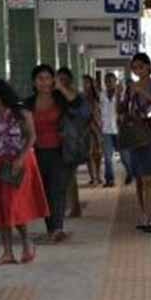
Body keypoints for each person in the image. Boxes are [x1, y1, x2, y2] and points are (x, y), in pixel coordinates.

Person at [0, 79, 50, 265]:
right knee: (0, 208)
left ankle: (27, 242)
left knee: (13, 205)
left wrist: (20, 158)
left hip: (16, 163)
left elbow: (32, 136)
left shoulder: (21, 113)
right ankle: (7, 252)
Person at [27, 64, 88, 243]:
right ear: (34, 82)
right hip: (37, 152)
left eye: (48, 78)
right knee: (44, 191)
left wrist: (61, 87)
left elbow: (77, 104)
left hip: (60, 151)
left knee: (58, 190)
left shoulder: (61, 99)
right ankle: (51, 228)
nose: (44, 82)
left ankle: (58, 228)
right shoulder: (29, 103)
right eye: (40, 79)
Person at [119, 53, 151, 233]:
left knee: (148, 177)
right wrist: (121, 96)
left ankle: (147, 216)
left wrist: (141, 91)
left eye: (141, 66)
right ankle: (142, 213)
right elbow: (123, 108)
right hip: (135, 135)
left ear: (148, 67)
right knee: (139, 177)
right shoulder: (129, 87)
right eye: (135, 67)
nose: (137, 70)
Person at [57, 68, 89, 219]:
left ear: (70, 80)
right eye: (59, 79)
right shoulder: (54, 97)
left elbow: (85, 114)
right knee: (63, 176)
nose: (61, 82)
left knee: (69, 175)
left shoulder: (78, 97)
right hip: (57, 141)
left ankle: (74, 207)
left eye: (64, 79)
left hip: (72, 141)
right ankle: (68, 207)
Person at [100, 73, 122, 187]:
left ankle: (131, 173)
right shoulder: (101, 95)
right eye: (107, 81)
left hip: (118, 129)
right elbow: (98, 110)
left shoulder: (120, 95)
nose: (109, 83)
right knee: (108, 157)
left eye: (111, 81)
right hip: (106, 130)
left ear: (115, 81)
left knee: (124, 156)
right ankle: (109, 179)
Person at [83, 75, 104, 186]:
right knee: (89, 153)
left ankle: (98, 175)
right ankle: (93, 177)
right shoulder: (81, 98)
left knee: (98, 153)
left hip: (97, 127)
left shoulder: (98, 97)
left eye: (87, 83)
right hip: (86, 129)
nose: (85, 85)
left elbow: (101, 112)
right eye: (84, 83)